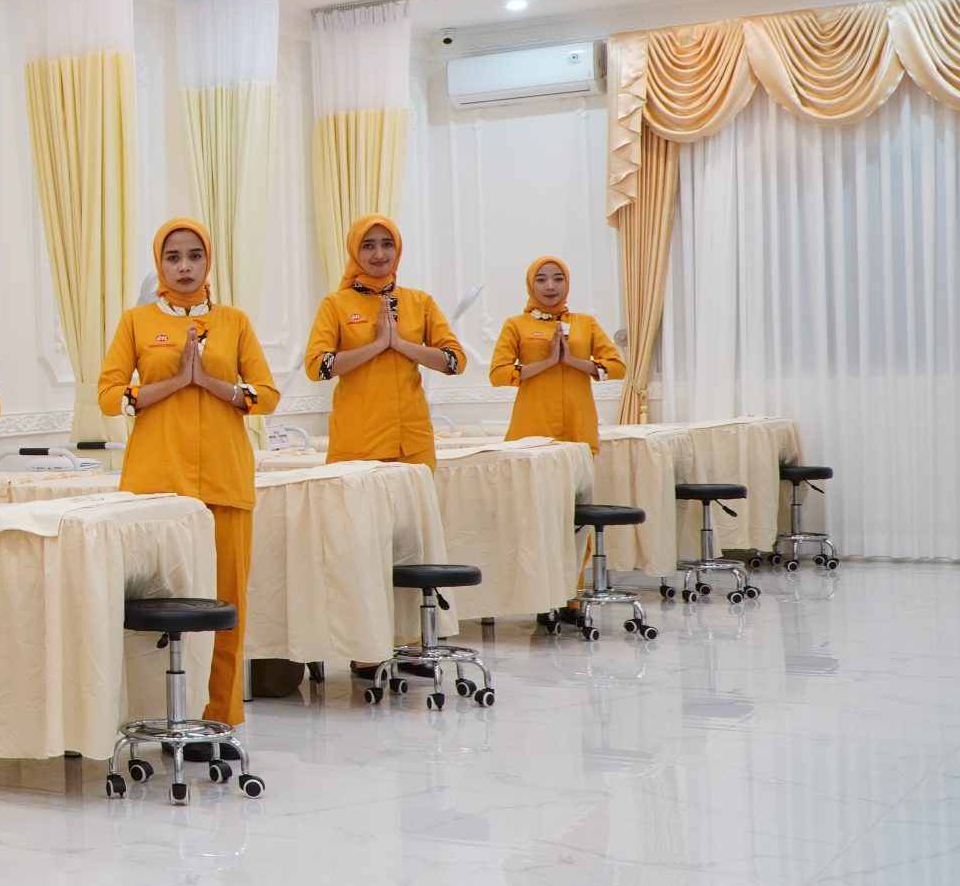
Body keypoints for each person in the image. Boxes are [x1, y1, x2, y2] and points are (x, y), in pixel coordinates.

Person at [96, 217, 279, 729]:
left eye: (194, 256)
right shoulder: (136, 322)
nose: (183, 267)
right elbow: (109, 394)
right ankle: (155, 716)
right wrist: (177, 382)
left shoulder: (234, 322)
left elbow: (266, 393)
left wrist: (212, 383)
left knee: (226, 606)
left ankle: (218, 719)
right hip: (156, 486)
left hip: (225, 482)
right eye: (172, 257)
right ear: (159, 263)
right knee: (154, 609)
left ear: (207, 262)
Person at [305, 213, 466, 469]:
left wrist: (401, 344)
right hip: (358, 442)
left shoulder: (420, 301)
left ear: (397, 248)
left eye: (387, 244)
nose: (379, 253)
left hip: (413, 443)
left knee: (415, 498)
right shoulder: (335, 304)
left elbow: (456, 362)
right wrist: (377, 346)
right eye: (368, 245)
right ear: (354, 251)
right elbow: (316, 367)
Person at [489, 255, 625, 448]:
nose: (550, 286)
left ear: (567, 283)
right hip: (532, 424)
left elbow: (618, 369)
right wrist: (547, 362)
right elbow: (497, 375)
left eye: (558, 279)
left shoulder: (586, 323)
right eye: (541, 280)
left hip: (578, 423)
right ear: (530, 285)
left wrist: (572, 361)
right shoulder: (516, 324)